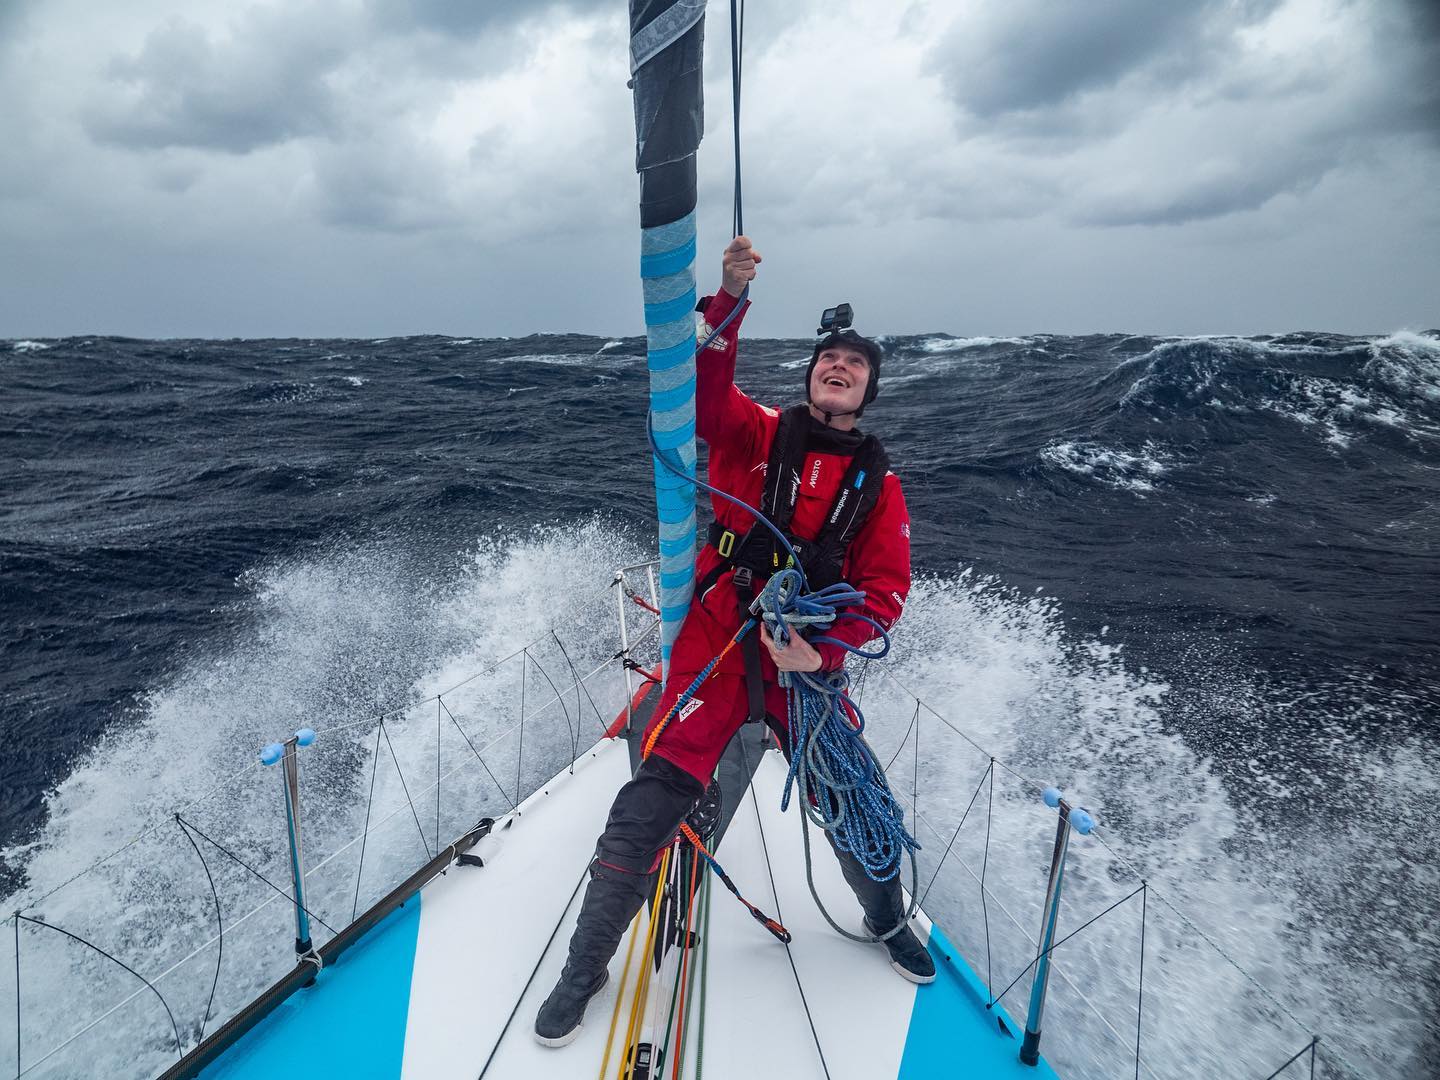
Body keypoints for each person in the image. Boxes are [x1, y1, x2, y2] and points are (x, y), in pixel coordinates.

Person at [534, 237, 932, 1048]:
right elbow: (702, 394)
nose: (840, 367)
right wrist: (729, 296)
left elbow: (887, 591)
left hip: (803, 665)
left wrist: (820, 654)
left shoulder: (880, 487)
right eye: (830, 357)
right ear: (811, 373)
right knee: (647, 803)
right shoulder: (756, 434)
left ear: (870, 391)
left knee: (851, 798)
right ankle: (583, 969)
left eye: (856, 364)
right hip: (719, 641)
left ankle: (888, 921)